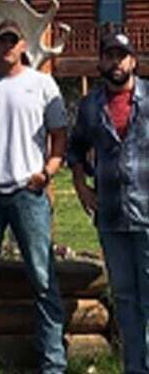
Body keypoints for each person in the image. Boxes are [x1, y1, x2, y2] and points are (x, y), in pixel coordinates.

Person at [0, 18, 68, 374]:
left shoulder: (43, 84)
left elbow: (59, 137)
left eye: (13, 40)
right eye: (2, 39)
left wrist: (47, 173)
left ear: (23, 46)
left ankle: (53, 363)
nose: (7, 45)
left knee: (43, 277)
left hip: (28, 192)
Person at [69, 29, 149, 373]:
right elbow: (75, 149)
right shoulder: (91, 105)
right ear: (101, 62)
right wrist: (81, 186)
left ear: (133, 61)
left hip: (147, 211)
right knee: (126, 297)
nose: (116, 63)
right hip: (111, 214)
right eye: (109, 56)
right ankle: (134, 367)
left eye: (122, 56)